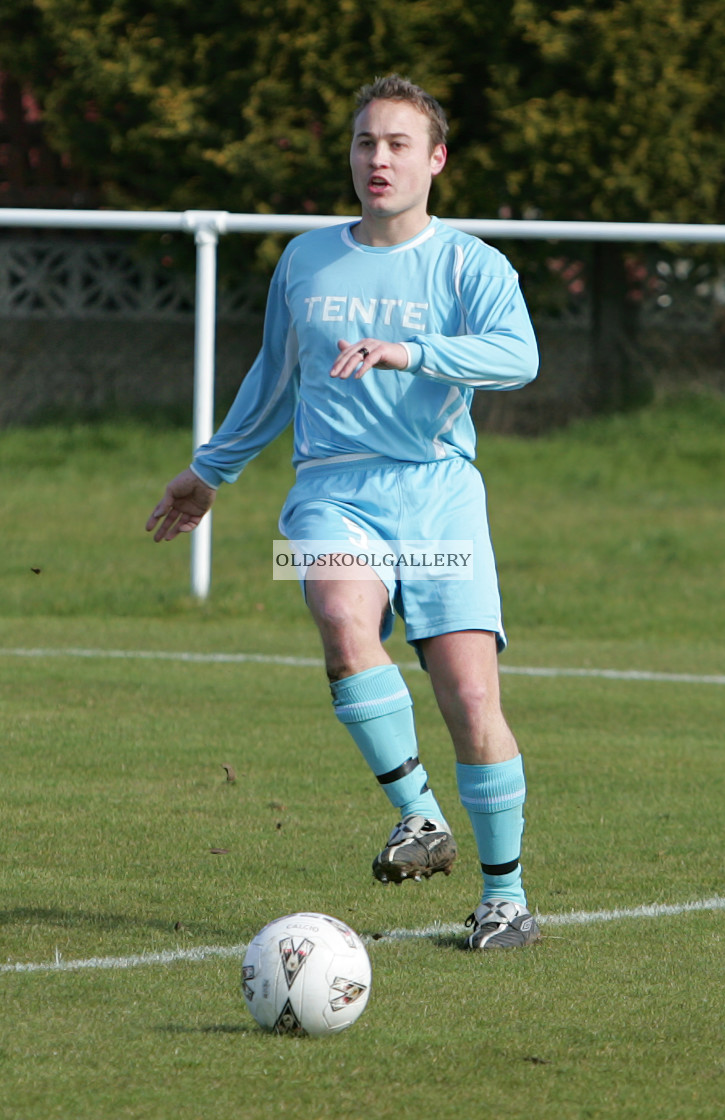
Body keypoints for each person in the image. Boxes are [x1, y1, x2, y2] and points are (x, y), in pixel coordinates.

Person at [146, 74, 540, 950]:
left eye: (399, 144)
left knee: (471, 700)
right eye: (366, 143)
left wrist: (410, 352)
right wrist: (209, 472)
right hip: (330, 490)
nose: (379, 160)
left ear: (435, 159)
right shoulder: (306, 259)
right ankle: (418, 816)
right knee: (335, 607)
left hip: (439, 496)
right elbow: (272, 379)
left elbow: (519, 356)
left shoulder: (471, 263)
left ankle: (505, 898)